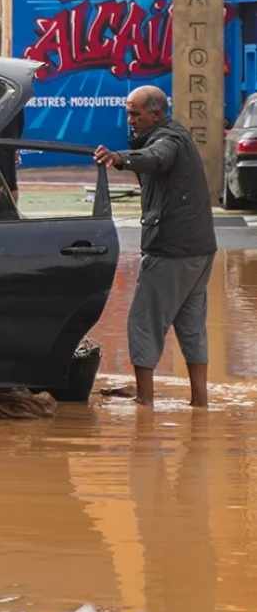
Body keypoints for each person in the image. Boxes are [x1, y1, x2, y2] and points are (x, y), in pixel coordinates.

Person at [94, 87, 217, 409]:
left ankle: (144, 402)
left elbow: (156, 157)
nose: (130, 120)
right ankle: (199, 401)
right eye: (128, 112)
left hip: (171, 248)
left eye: (136, 114)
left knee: (143, 322)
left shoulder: (168, 140)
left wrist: (121, 158)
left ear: (157, 114)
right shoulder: (175, 134)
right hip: (200, 248)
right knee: (191, 327)